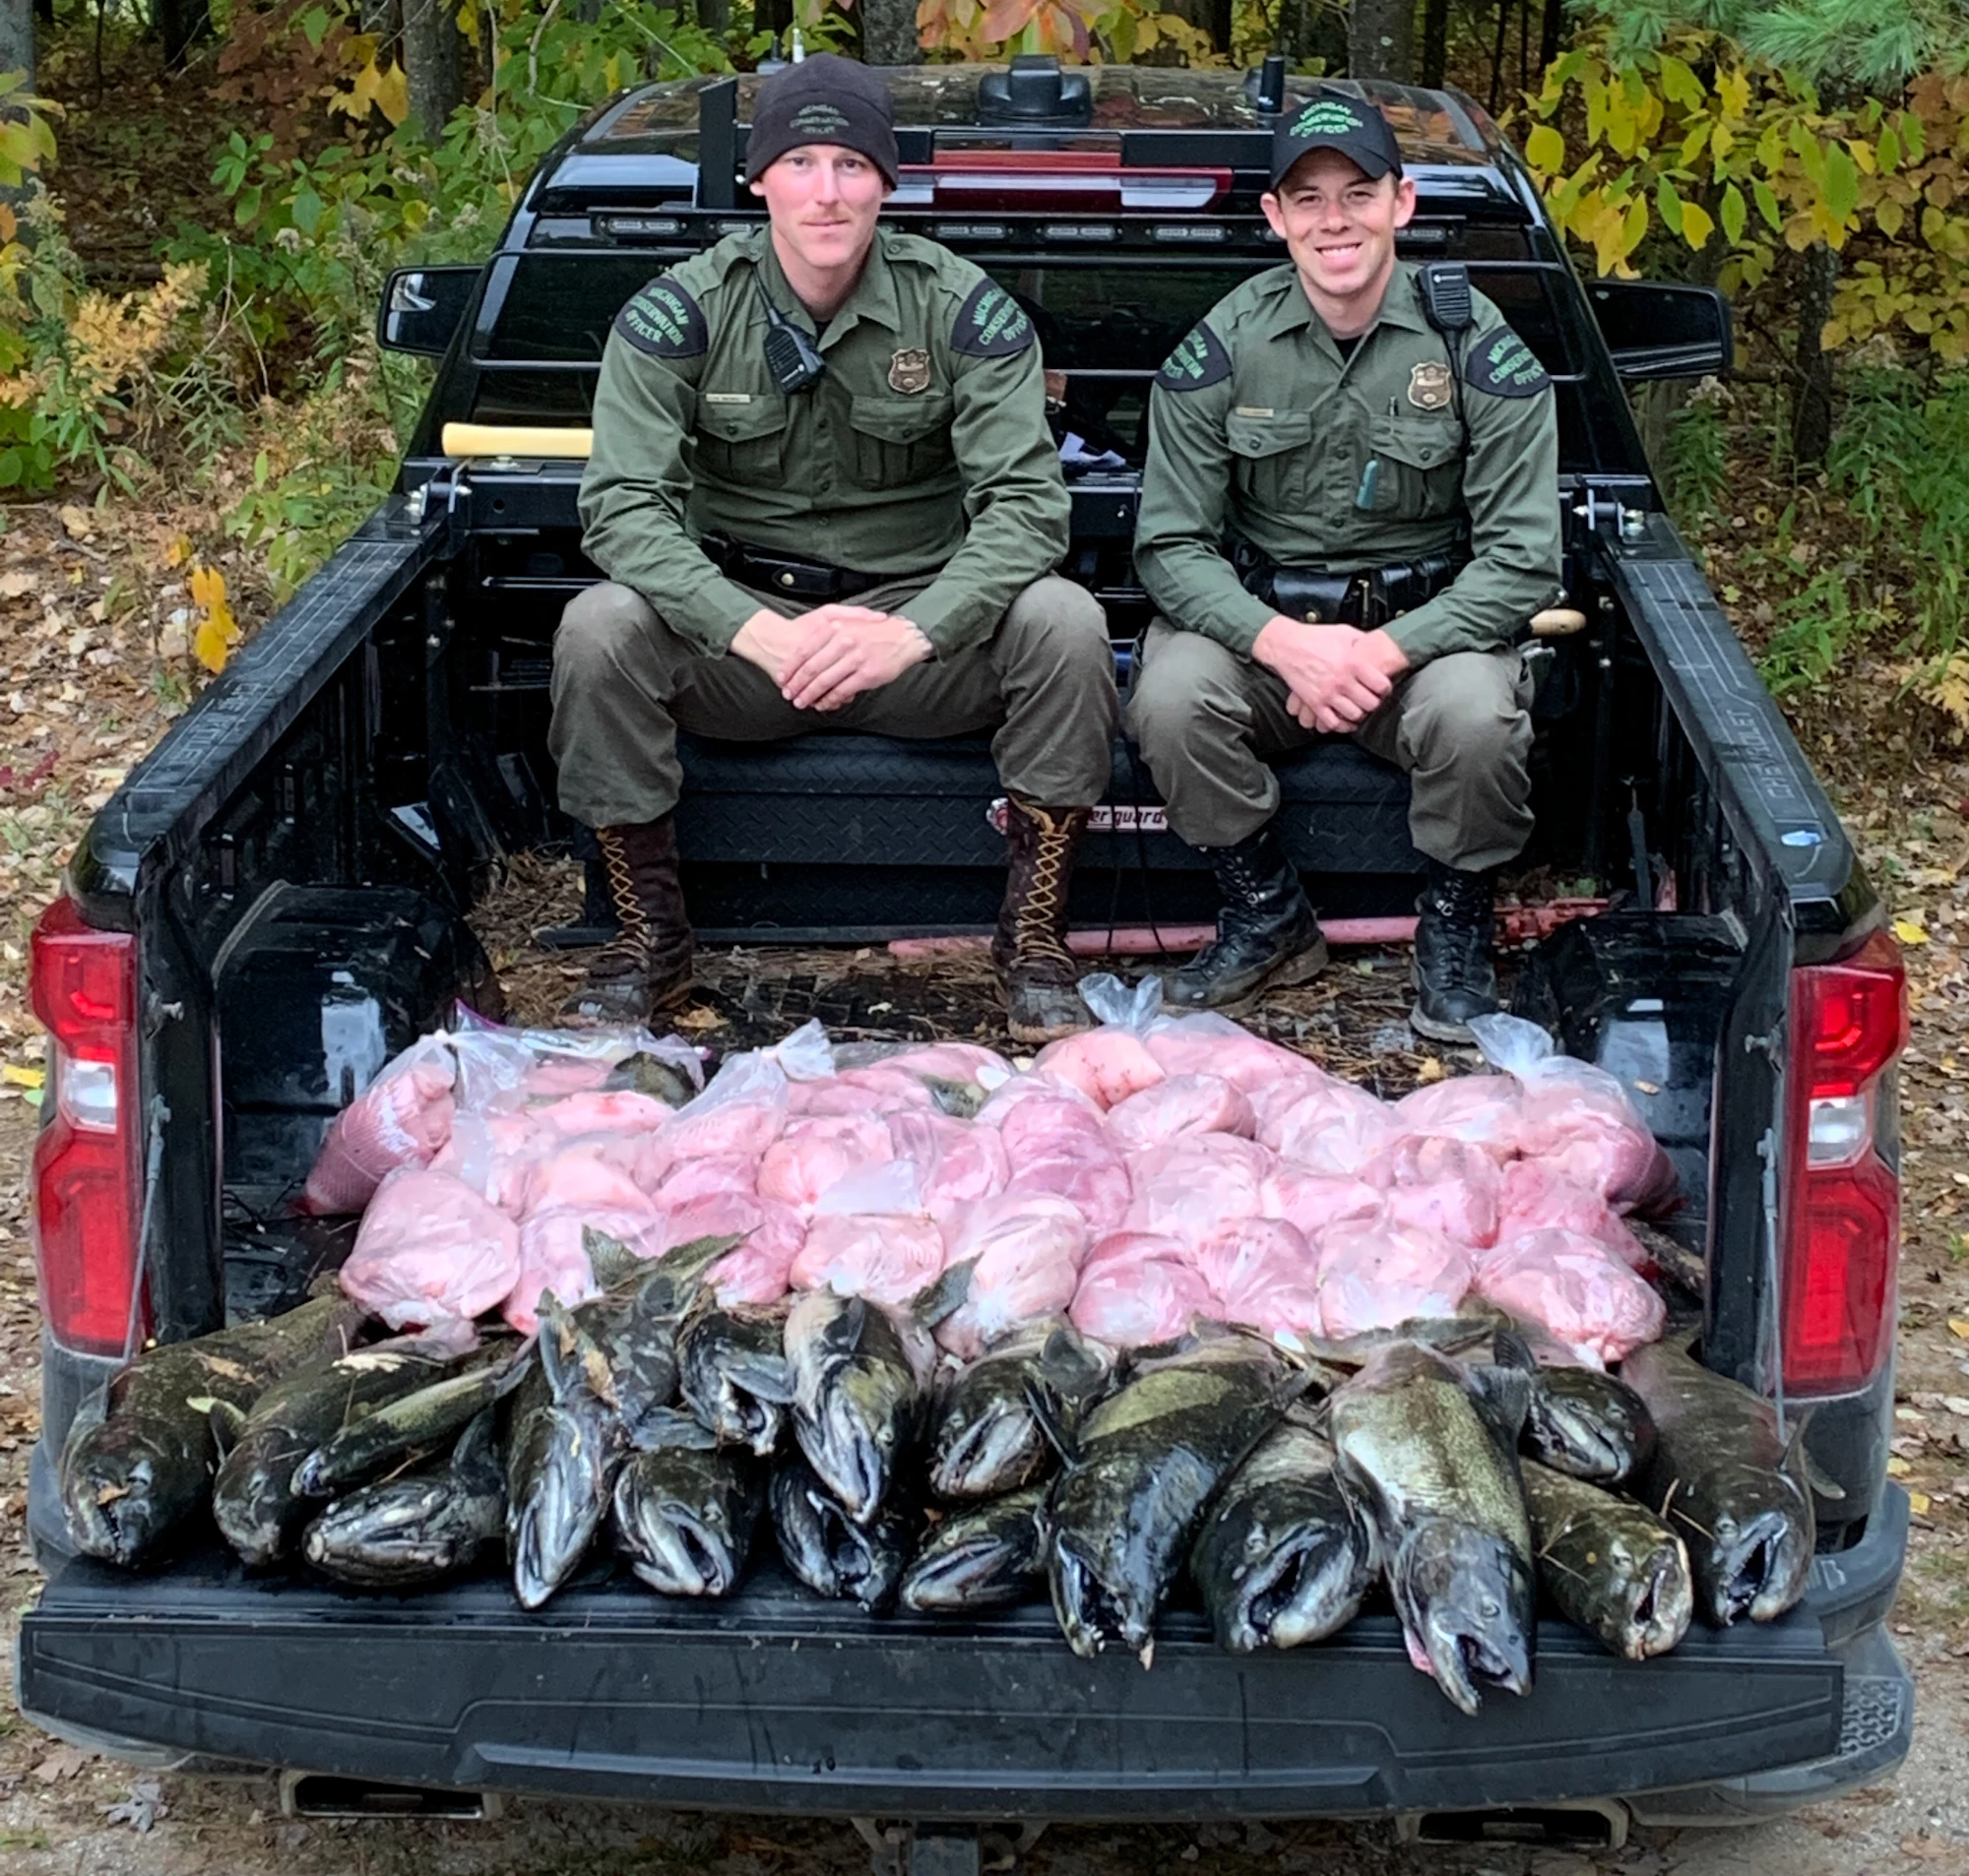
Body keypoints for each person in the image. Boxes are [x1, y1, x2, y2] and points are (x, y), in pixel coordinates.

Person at [553, 54, 1117, 1043]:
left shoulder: (960, 309)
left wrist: (919, 633)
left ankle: (1032, 943)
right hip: (743, 641)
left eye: (851, 165)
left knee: (1062, 621)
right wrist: (750, 629)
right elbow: (621, 510)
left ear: (886, 183)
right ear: (757, 178)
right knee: (598, 627)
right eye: (801, 161)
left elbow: (1027, 507)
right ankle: (648, 940)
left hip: (914, 634)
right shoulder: (681, 310)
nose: (826, 190)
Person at [1127, 89, 1561, 1042]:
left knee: (1477, 714)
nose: (1335, 221)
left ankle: (1454, 924)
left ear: (1399, 204)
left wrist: (1385, 651)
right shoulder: (1221, 347)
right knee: (1168, 692)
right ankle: (1265, 912)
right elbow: (1168, 547)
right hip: (1267, 639)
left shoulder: (1473, 345)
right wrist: (1286, 646)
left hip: (1421, 638)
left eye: (1356, 193)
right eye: (1308, 199)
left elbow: (1524, 559)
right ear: (1273, 218)